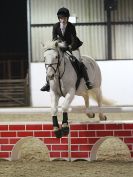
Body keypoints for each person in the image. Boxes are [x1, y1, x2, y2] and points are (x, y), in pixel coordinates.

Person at [41, 7, 93, 92]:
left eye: (64, 18)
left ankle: (87, 81)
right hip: (61, 46)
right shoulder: (55, 26)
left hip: (73, 46)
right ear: (59, 18)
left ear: (67, 18)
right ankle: (47, 83)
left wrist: (69, 47)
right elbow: (54, 39)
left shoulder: (71, 26)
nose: (63, 20)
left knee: (79, 62)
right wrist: (60, 46)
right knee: (52, 61)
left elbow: (74, 39)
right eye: (61, 18)